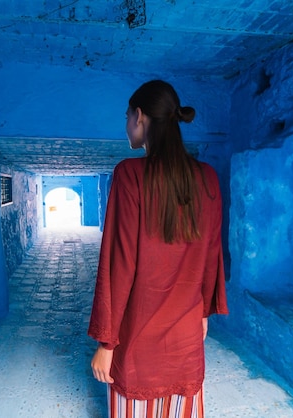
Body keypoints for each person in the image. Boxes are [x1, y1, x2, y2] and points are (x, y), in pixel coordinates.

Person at [88, 80, 229, 418]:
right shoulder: (207, 177)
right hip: (187, 341)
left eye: (126, 117)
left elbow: (118, 265)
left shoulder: (129, 175)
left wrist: (107, 343)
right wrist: (203, 312)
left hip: (138, 344)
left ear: (139, 116)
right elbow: (211, 255)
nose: (126, 126)